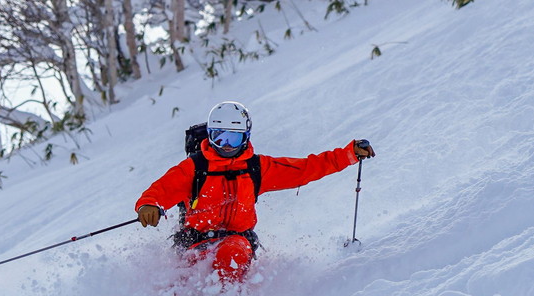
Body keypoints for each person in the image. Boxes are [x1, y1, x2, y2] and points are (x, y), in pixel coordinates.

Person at [135, 101, 374, 284]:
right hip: (193, 244)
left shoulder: (256, 168)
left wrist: (348, 155)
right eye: (220, 137)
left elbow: (304, 169)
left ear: (245, 137)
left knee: (232, 254)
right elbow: (162, 190)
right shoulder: (195, 168)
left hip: (236, 241)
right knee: (175, 288)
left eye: (234, 137)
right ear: (210, 135)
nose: (226, 145)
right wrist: (149, 205)